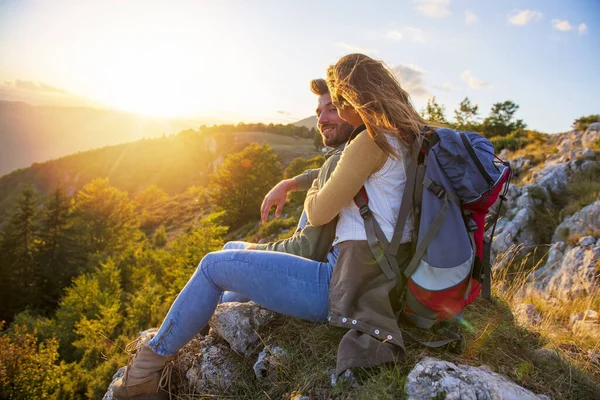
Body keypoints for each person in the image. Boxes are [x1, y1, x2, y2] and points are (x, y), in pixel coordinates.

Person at [110, 79, 354, 400]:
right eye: (319, 111)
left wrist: (259, 248)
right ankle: (201, 336)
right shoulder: (356, 154)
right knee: (229, 250)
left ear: (355, 108)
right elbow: (326, 170)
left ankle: (141, 378)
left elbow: (308, 249)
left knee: (215, 264)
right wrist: (292, 181)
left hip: (331, 286)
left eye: (332, 109)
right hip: (335, 277)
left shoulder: (346, 160)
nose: (322, 118)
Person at [303, 53, 432, 374]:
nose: (336, 109)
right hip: (395, 258)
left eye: (336, 101)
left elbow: (318, 214)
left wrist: (315, 184)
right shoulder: (405, 135)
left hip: (362, 264)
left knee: (220, 264)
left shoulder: (371, 139)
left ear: (349, 98)